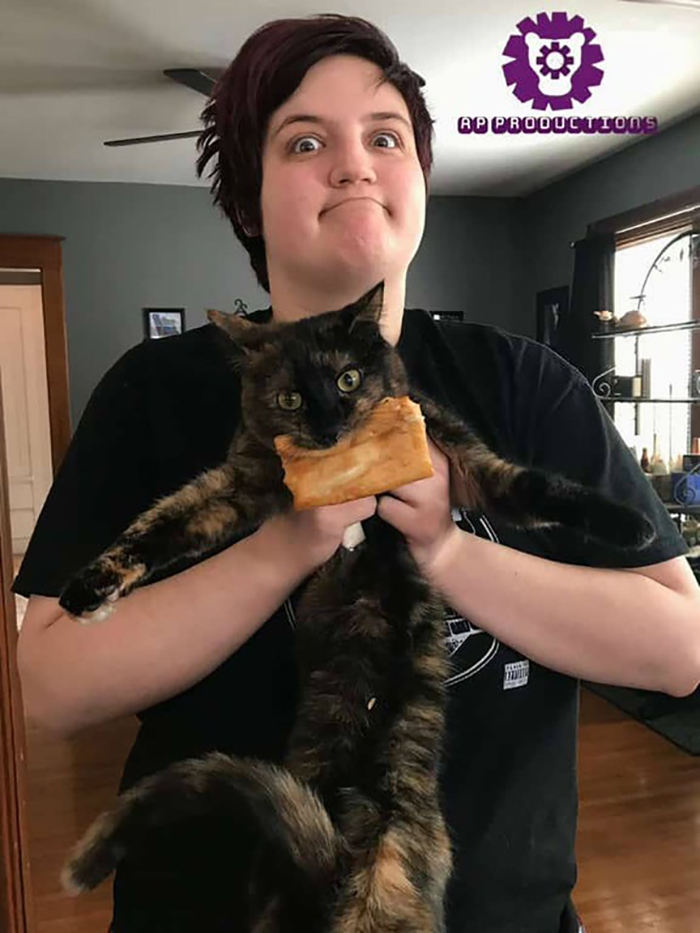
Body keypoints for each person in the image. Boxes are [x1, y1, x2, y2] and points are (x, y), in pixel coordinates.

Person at [13, 14, 700, 933]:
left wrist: (447, 549)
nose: (355, 164)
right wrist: (289, 542)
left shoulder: (528, 383)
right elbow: (52, 688)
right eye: (305, 142)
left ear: (420, 180)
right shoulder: (153, 391)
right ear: (250, 204)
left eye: (386, 137)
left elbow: (679, 650)